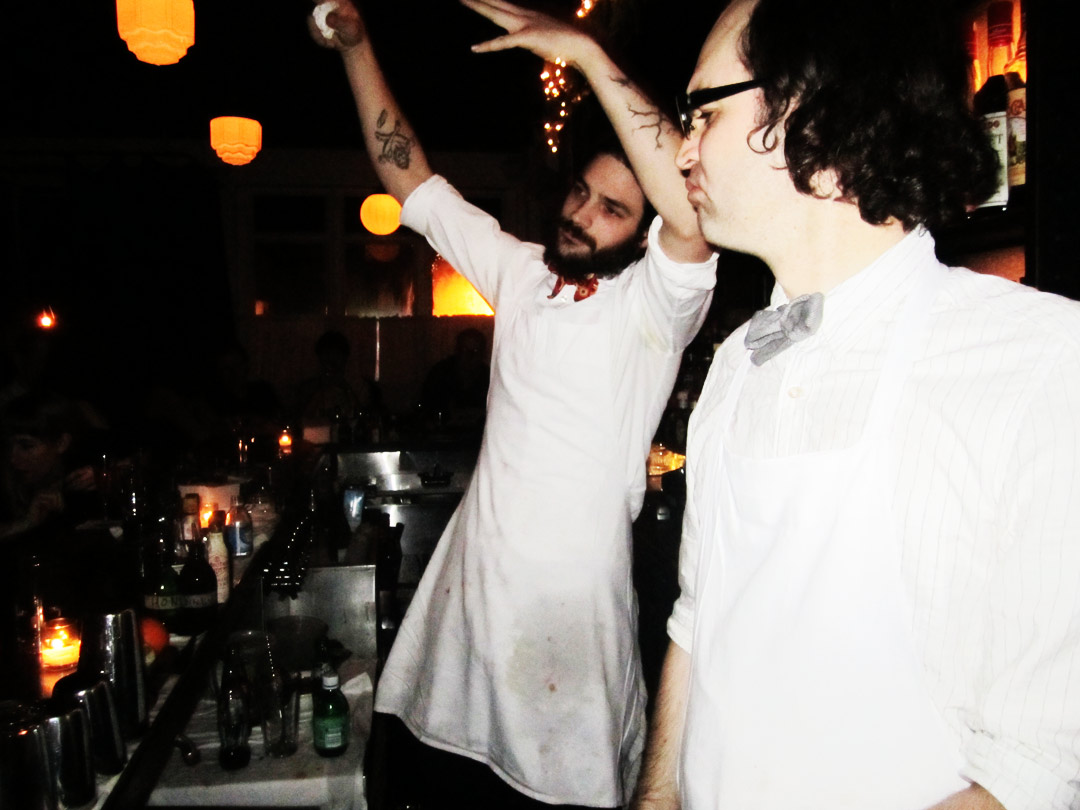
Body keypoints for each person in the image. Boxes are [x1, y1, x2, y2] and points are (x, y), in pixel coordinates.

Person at [633, 1, 1080, 809]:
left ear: (812, 112)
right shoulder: (736, 364)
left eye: (704, 112)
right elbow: (695, 627)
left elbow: (1035, 773)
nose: (684, 147)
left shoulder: (1043, 363)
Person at [309, 1, 716, 806]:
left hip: (571, 641)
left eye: (613, 209)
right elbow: (410, 179)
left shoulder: (653, 309)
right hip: (464, 634)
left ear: (643, 234)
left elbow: (690, 208)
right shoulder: (521, 271)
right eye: (582, 193)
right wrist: (357, 46)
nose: (582, 213)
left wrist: (586, 53)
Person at [419, 327, 490, 438]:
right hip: (442, 439)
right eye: (465, 350)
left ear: (483, 353)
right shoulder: (440, 373)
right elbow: (427, 409)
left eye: (476, 351)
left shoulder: (488, 377)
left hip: (478, 439)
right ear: (457, 351)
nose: (470, 356)